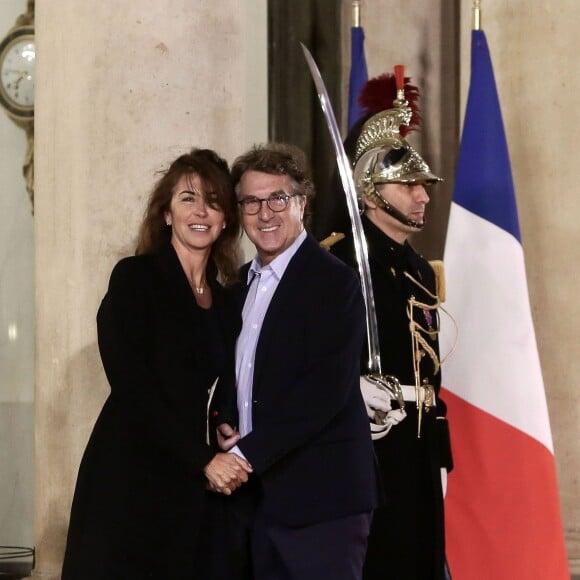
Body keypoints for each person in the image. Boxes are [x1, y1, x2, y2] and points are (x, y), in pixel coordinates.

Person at [61, 148, 253, 580]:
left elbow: (213, 380)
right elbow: (132, 387)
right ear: (166, 214)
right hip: (131, 475)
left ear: (225, 219)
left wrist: (222, 420)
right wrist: (203, 459)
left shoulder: (226, 303)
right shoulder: (135, 279)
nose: (200, 211)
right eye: (188, 198)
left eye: (213, 200)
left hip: (189, 488)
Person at [215, 143, 380, 580]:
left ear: (301, 204)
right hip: (255, 503)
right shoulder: (237, 289)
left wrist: (245, 455)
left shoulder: (334, 282)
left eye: (278, 199)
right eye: (251, 201)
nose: (264, 213)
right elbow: (241, 375)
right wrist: (225, 420)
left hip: (322, 502)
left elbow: (324, 390)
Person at [321, 72, 454, 580]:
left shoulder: (418, 267)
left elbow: (430, 367)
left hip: (417, 441)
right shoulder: (338, 263)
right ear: (372, 194)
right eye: (409, 185)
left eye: (424, 185)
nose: (422, 196)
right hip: (366, 441)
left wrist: (439, 446)